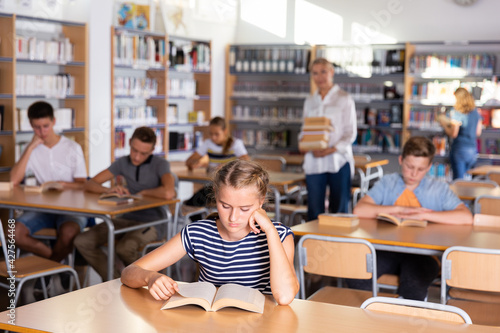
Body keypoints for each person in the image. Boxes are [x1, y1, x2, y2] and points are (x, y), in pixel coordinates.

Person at [121, 160, 299, 305]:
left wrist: (269, 230)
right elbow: (129, 272)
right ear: (215, 195)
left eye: (245, 208)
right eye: (225, 206)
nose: (233, 217)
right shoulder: (198, 233)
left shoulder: (280, 235)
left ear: (261, 203)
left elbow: (284, 296)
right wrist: (150, 277)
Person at [351, 136, 473, 300]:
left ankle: (404, 321)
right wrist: (400, 209)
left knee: (413, 284)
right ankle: (371, 316)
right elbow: (359, 210)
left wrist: (424, 214)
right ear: (401, 160)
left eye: (421, 169)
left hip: (423, 255)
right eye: (409, 167)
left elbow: (466, 217)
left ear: (429, 166)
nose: (414, 173)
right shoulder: (388, 182)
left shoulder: (438, 188)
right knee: (356, 274)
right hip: (387, 251)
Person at [74, 127, 176, 281]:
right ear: (129, 143)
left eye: (143, 153)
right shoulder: (122, 162)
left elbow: (169, 193)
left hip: (154, 221)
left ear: (152, 150)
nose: (136, 157)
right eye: (134, 150)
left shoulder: (160, 164)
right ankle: (115, 281)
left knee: (124, 249)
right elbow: (90, 184)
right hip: (126, 217)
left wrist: (142, 193)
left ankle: (148, 282)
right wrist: (109, 190)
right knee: (82, 241)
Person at [11, 101, 88, 263]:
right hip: (43, 208)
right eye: (36, 127)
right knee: (13, 232)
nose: (42, 131)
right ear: (31, 125)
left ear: (54, 121)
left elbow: (83, 183)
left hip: (71, 208)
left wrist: (64, 184)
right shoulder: (32, 149)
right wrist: (30, 147)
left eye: (45, 126)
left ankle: (48, 271)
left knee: (68, 233)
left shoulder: (72, 147)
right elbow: (13, 180)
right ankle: (56, 265)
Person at [300, 58, 357, 220]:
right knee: (314, 210)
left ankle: (338, 244)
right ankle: (311, 244)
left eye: (323, 72)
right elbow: (304, 130)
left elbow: (350, 133)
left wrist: (330, 149)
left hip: (338, 160)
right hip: (314, 160)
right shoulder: (310, 101)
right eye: (315, 73)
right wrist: (306, 145)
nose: (320, 77)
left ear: (331, 72)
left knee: (339, 209)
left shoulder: (344, 98)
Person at [184, 116, 249, 206]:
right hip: (213, 184)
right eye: (211, 134)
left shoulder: (236, 144)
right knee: (192, 203)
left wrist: (227, 165)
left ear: (225, 131)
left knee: (194, 202)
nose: (213, 137)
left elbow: (246, 160)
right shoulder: (208, 143)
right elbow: (189, 160)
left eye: (216, 134)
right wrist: (196, 164)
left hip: (230, 186)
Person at [437, 87, 482, 179]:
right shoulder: (476, 112)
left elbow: (454, 134)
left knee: (458, 180)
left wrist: (445, 126)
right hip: (472, 149)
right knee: (469, 178)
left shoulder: (458, 113)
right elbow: (478, 132)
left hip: (460, 149)